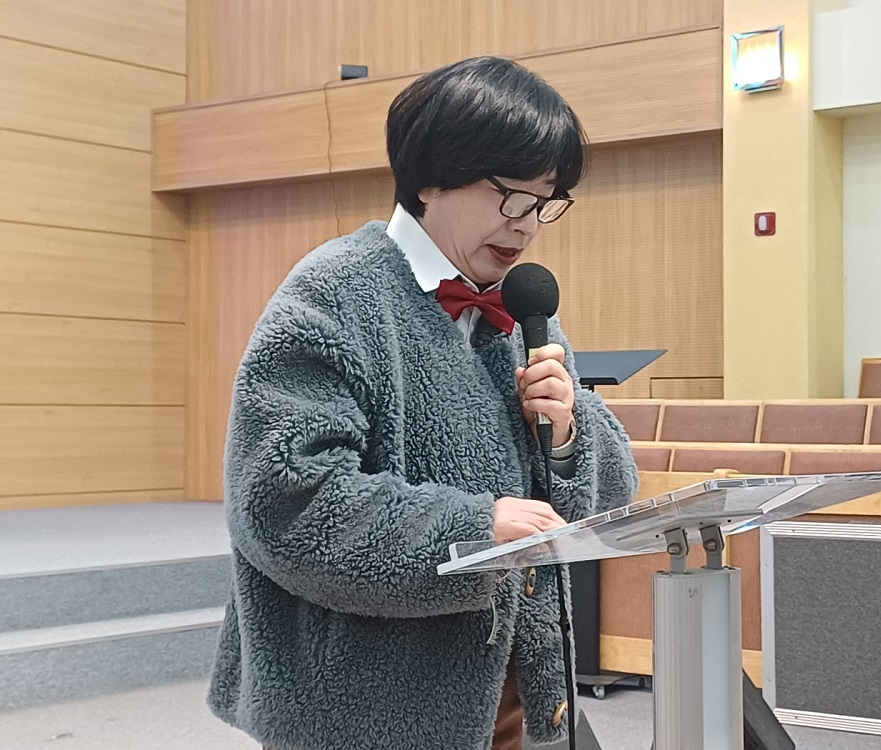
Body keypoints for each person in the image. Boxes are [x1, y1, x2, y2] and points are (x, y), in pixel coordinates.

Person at [208, 56, 639, 750]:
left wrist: (567, 432)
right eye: (512, 197)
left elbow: (610, 489)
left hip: (514, 688)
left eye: (545, 202)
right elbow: (284, 503)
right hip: (366, 703)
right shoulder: (335, 292)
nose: (527, 225)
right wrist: (471, 527)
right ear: (431, 177)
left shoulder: (522, 313)